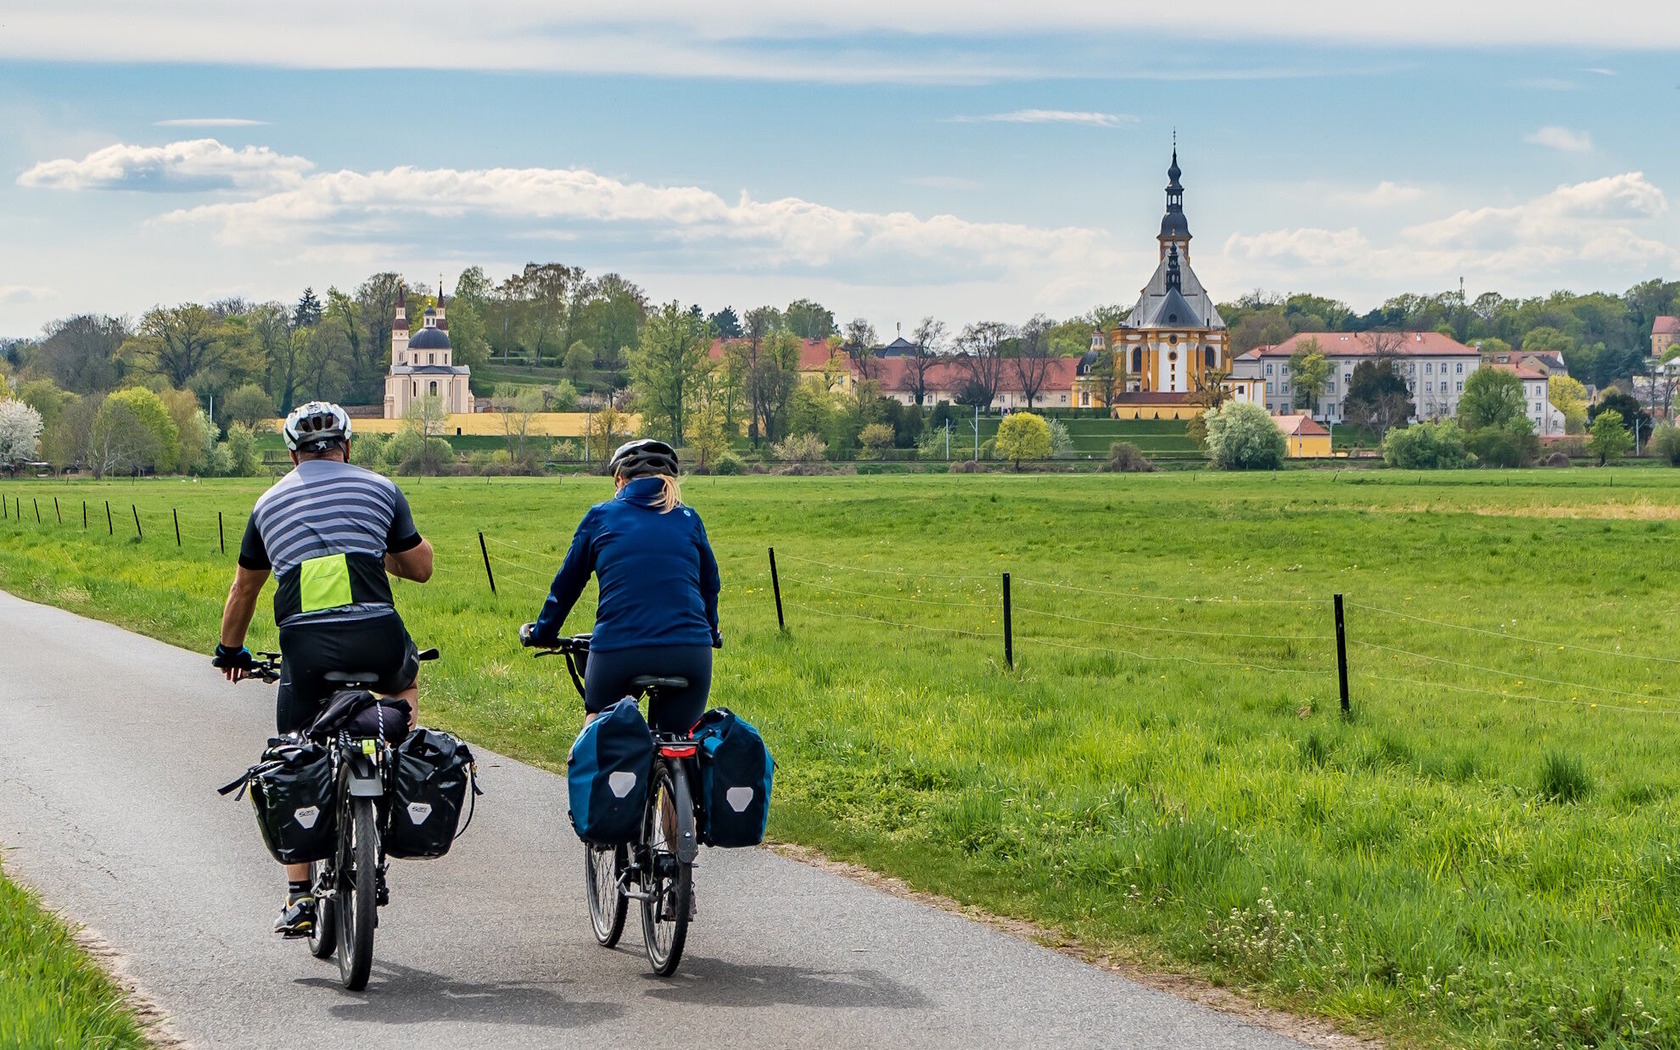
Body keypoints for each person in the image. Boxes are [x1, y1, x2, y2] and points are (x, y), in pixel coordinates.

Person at [211, 401, 434, 937]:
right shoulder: (381, 489)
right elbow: (421, 568)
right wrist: (376, 552)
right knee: (404, 686)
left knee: (294, 744)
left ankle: (298, 894)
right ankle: (398, 777)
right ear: (348, 447)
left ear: (291, 454)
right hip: (378, 641)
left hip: (306, 651)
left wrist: (231, 650)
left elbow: (245, 588)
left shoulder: (268, 504)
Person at [520, 438, 721, 734]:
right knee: (683, 739)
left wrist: (544, 632)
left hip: (620, 650)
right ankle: (684, 776)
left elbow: (567, 585)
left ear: (619, 479)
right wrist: (711, 631)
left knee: (599, 726)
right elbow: (710, 586)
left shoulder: (601, 516)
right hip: (690, 652)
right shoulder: (690, 519)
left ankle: (601, 775)